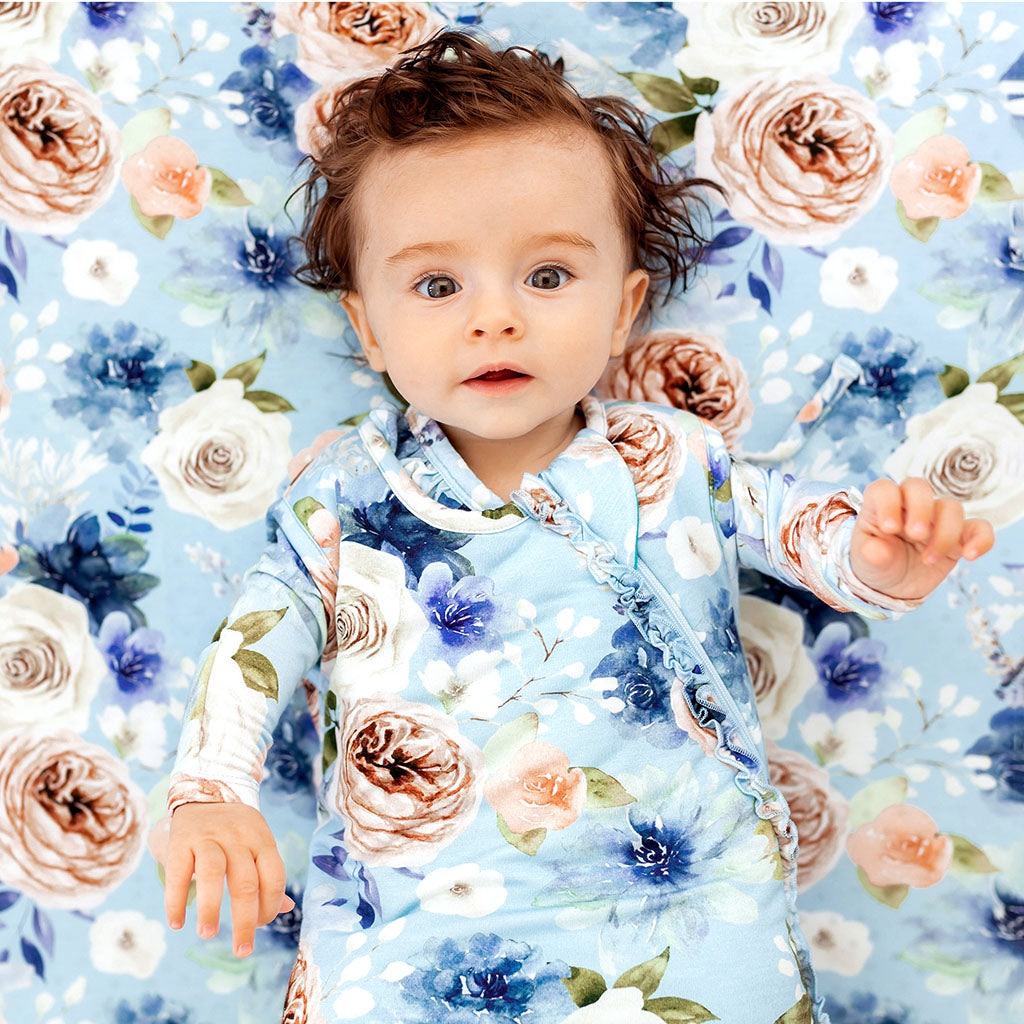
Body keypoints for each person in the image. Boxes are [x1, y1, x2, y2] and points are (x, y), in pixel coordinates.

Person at [160, 28, 995, 1024]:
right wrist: (210, 788)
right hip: (412, 938)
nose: (495, 319)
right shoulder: (341, 495)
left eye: (548, 276)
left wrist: (877, 556)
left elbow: (809, 535)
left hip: (688, 912)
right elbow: (255, 641)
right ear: (369, 328)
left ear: (623, 309)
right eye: (438, 286)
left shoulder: (672, 460)